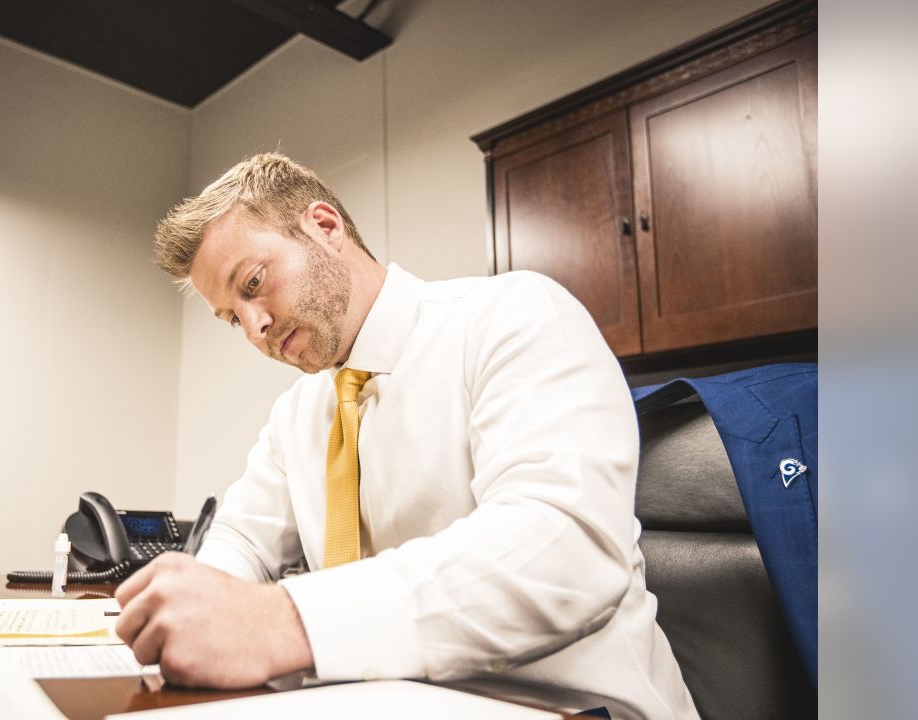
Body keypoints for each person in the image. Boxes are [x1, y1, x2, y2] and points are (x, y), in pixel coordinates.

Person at [115, 153, 699, 719]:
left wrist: (285, 622)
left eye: (254, 283)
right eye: (231, 319)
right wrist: (197, 605)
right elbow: (243, 539)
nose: (255, 329)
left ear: (324, 226)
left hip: (571, 706)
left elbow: (563, 550)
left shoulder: (514, 317)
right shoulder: (298, 413)